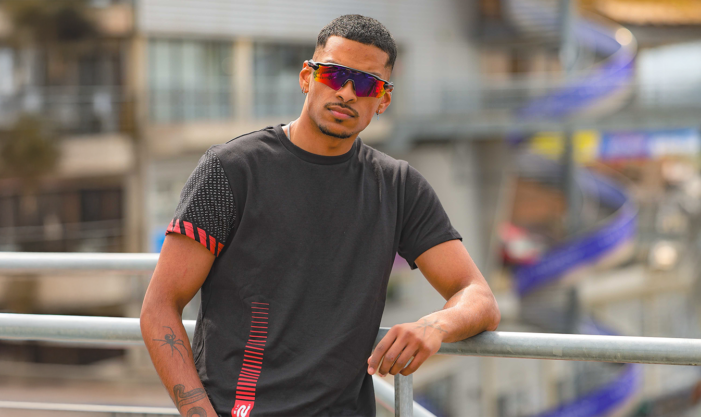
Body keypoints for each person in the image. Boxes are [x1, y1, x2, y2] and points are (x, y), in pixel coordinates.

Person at [139, 14, 500, 417]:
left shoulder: (397, 186)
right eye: (333, 75)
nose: (346, 93)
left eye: (366, 84)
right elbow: (159, 307)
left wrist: (434, 327)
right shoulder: (232, 169)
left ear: (383, 100)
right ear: (306, 78)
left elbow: (479, 297)